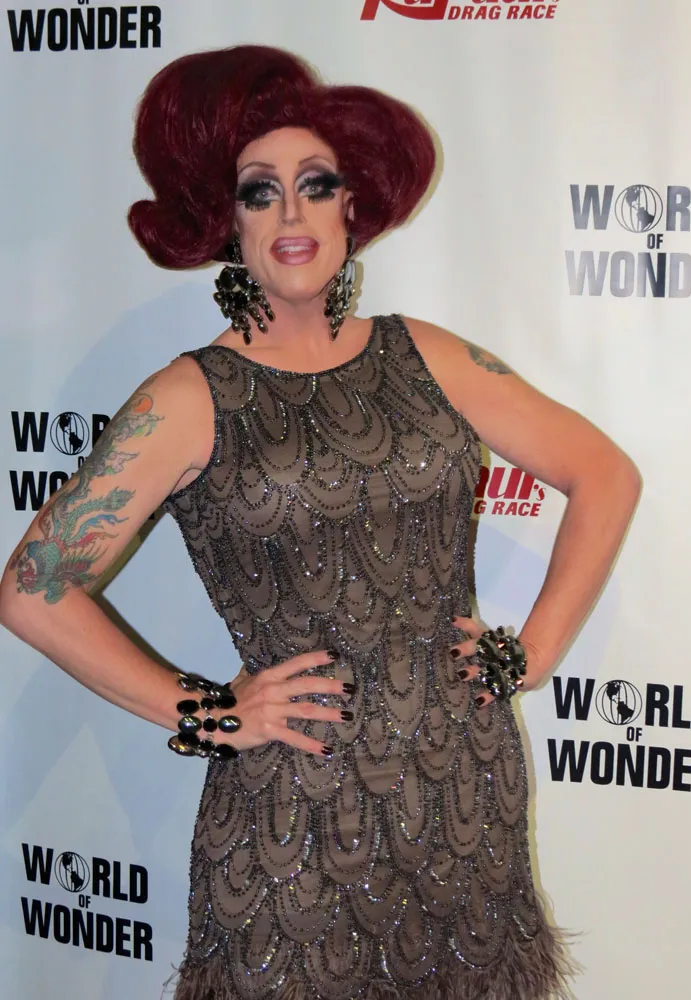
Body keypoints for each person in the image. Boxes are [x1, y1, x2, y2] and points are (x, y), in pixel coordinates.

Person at [0, 44, 642, 1000]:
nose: (291, 212)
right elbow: (31, 592)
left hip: (465, 792)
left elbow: (604, 474)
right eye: (260, 191)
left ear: (352, 206)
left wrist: (533, 650)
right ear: (227, 221)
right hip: (291, 824)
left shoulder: (428, 355)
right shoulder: (189, 397)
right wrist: (208, 711)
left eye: (316, 183)